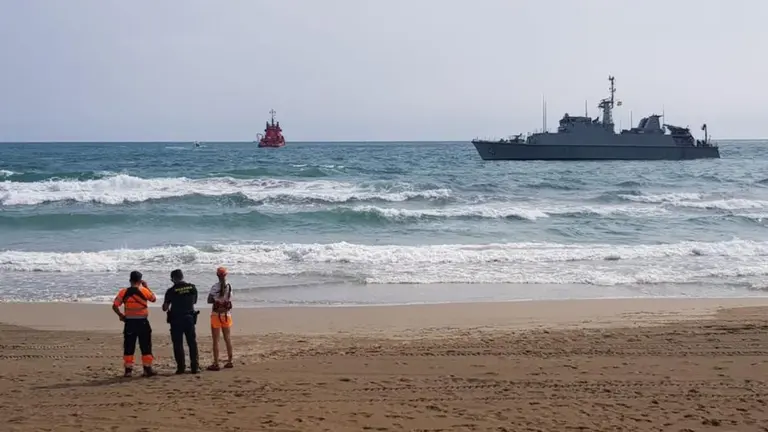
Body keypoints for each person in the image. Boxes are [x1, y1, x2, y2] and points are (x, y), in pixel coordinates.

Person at [112, 271, 157, 378]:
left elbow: (115, 306)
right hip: (143, 322)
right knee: (145, 345)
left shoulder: (123, 292)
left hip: (129, 323)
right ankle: (147, 369)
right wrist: (146, 287)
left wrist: (121, 315)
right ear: (140, 281)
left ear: (130, 280)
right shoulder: (144, 290)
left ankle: (128, 371)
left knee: (129, 346)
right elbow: (153, 299)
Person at [162, 269, 200, 374]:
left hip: (176, 319)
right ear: (182, 277)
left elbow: (165, 308)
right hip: (189, 318)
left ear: (173, 279)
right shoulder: (192, 288)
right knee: (192, 343)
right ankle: (195, 367)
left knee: (178, 344)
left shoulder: (171, 291)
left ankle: (181, 368)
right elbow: (194, 301)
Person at [207, 266, 234, 371]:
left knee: (216, 340)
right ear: (226, 275)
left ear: (217, 275)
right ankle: (230, 361)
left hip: (216, 315)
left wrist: (216, 299)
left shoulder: (215, 287)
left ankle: (216, 363)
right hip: (226, 315)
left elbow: (209, 300)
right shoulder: (229, 286)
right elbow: (230, 299)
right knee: (227, 338)